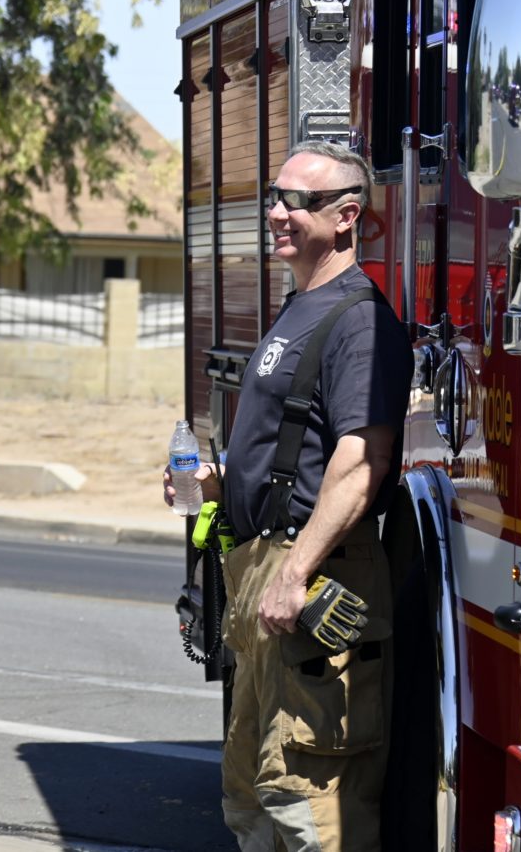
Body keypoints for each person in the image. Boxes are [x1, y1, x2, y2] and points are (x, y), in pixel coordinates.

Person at [164, 140, 413, 852]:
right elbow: (293, 446)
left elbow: (362, 462)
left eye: (297, 201)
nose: (276, 212)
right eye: (274, 197)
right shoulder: (300, 307)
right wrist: (217, 482)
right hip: (264, 573)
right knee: (253, 788)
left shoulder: (360, 321)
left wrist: (296, 572)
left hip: (310, 575)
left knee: (310, 798)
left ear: (346, 217)